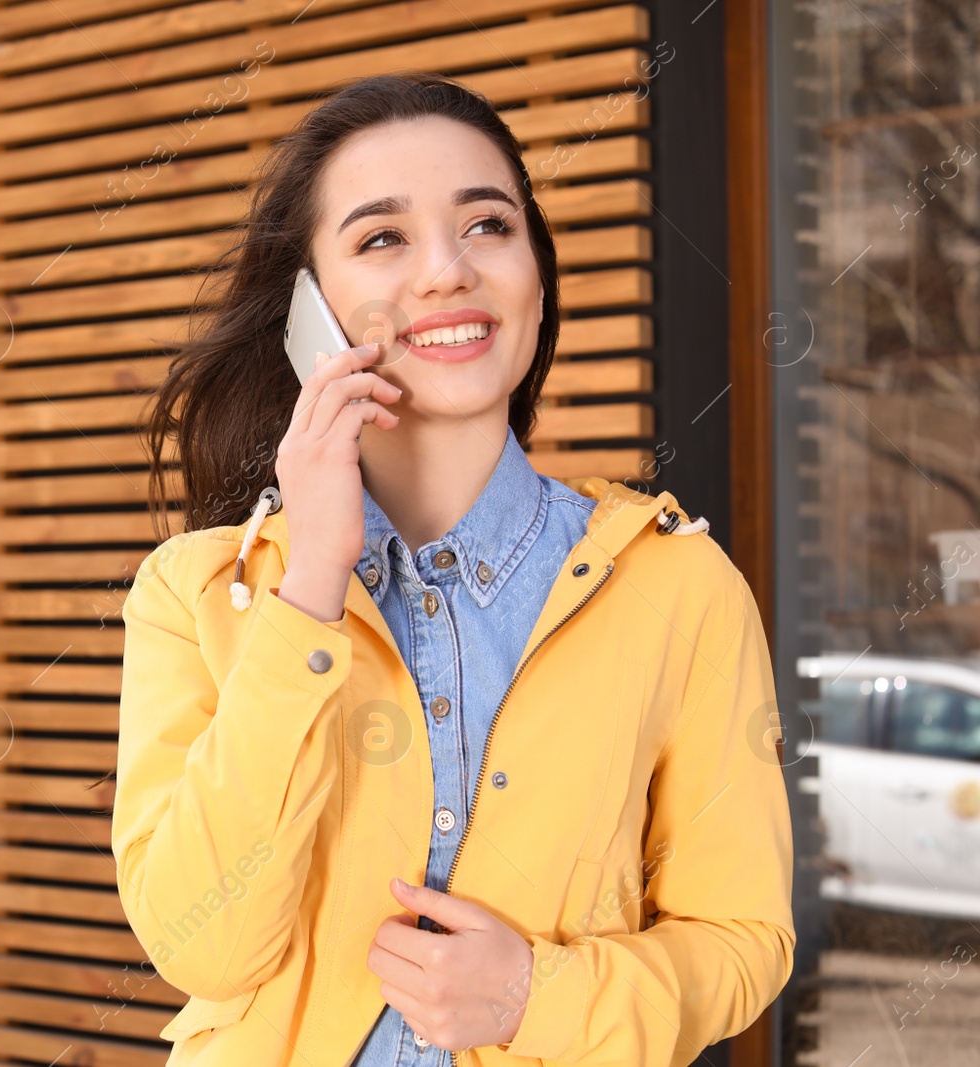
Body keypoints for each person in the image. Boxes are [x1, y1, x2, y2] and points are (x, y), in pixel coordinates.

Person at [111, 72, 794, 1067]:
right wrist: (311, 585)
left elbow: (743, 940)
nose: (446, 271)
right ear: (307, 311)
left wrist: (534, 993)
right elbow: (202, 943)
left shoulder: (680, 589)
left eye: (487, 225)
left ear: (535, 273)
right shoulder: (201, 592)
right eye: (381, 237)